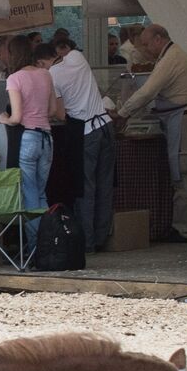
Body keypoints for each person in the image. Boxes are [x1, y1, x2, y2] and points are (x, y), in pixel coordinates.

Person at [116, 24, 187, 241]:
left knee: (185, 175)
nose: (146, 49)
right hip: (185, 118)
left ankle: (186, 230)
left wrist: (123, 112)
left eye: (147, 44)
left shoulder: (171, 58)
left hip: (185, 120)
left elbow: (147, 91)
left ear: (159, 39)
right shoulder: (170, 55)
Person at [51, 41, 115, 250]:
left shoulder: (52, 74)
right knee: (105, 186)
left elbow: (61, 114)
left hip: (85, 131)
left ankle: (87, 242)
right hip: (105, 125)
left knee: (86, 188)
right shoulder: (78, 58)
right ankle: (102, 237)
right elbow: (68, 49)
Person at [0, 43, 64, 242]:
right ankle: (48, 243)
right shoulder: (46, 75)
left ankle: (35, 247)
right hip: (46, 137)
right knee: (41, 194)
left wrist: (4, 118)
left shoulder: (14, 78)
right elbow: (53, 110)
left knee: (29, 196)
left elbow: (17, 117)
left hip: (26, 138)